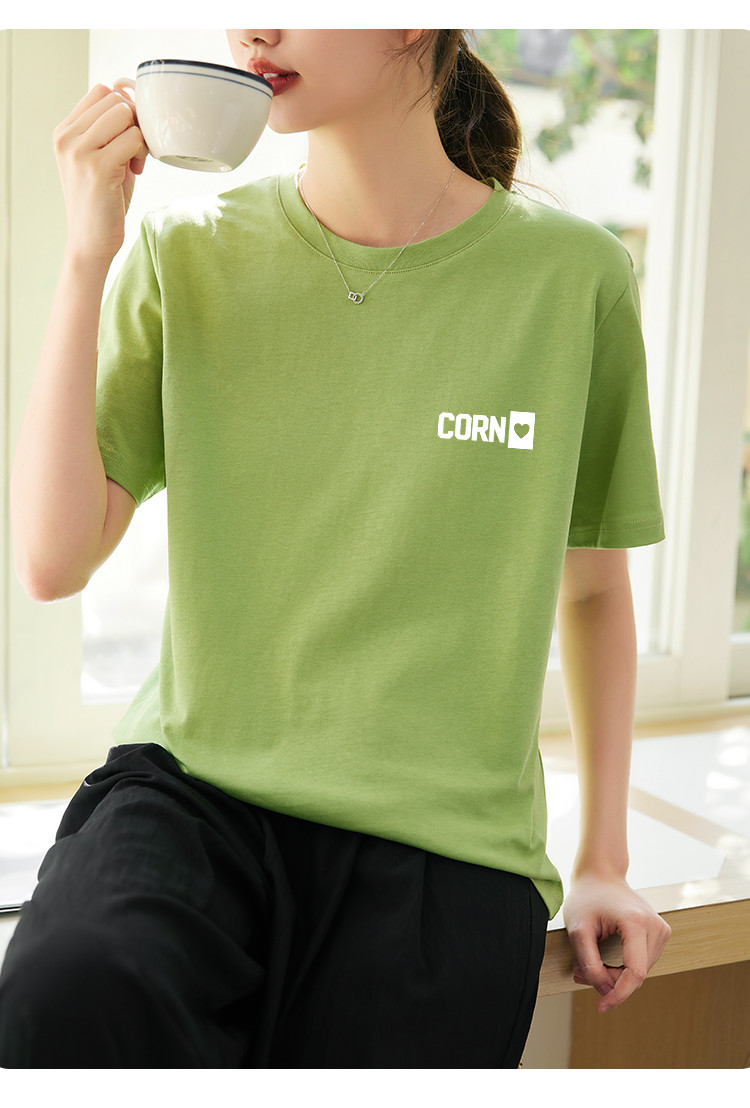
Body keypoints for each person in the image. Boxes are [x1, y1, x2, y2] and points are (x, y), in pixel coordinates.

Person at [0, 29, 671, 1068]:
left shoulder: (573, 279)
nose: (253, 29)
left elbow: (592, 590)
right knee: (64, 997)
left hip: (445, 845)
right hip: (195, 798)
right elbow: (52, 560)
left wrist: (603, 860)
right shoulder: (186, 252)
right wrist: (89, 252)